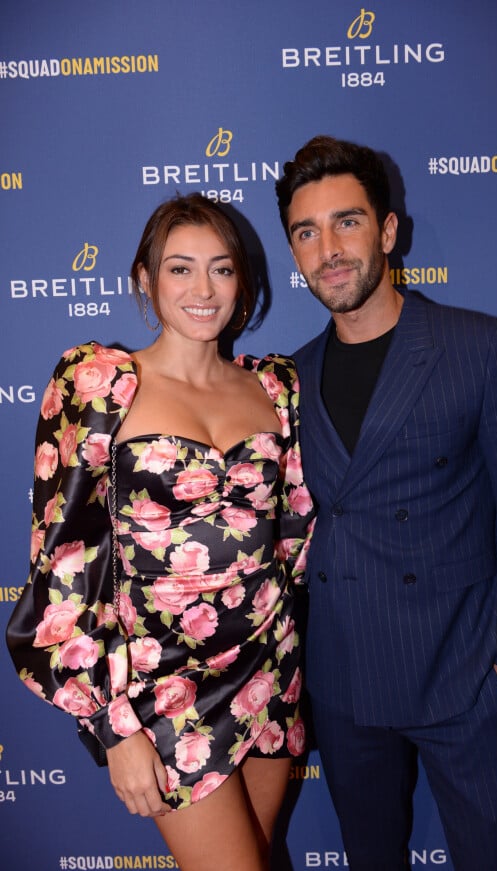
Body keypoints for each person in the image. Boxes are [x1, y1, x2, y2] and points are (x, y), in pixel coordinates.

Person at [274, 135, 497, 871]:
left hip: (463, 673)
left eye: (347, 222)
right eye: (307, 232)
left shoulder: (483, 347)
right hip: (342, 684)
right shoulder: (286, 380)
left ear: (389, 230)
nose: (329, 249)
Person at [6, 192, 315, 871]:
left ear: (243, 280)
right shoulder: (98, 384)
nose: (203, 289)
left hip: (268, 671)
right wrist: (112, 727)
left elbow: (294, 535)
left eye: (221, 268)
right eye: (180, 269)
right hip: (162, 690)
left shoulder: (277, 388)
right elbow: (60, 565)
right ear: (144, 279)